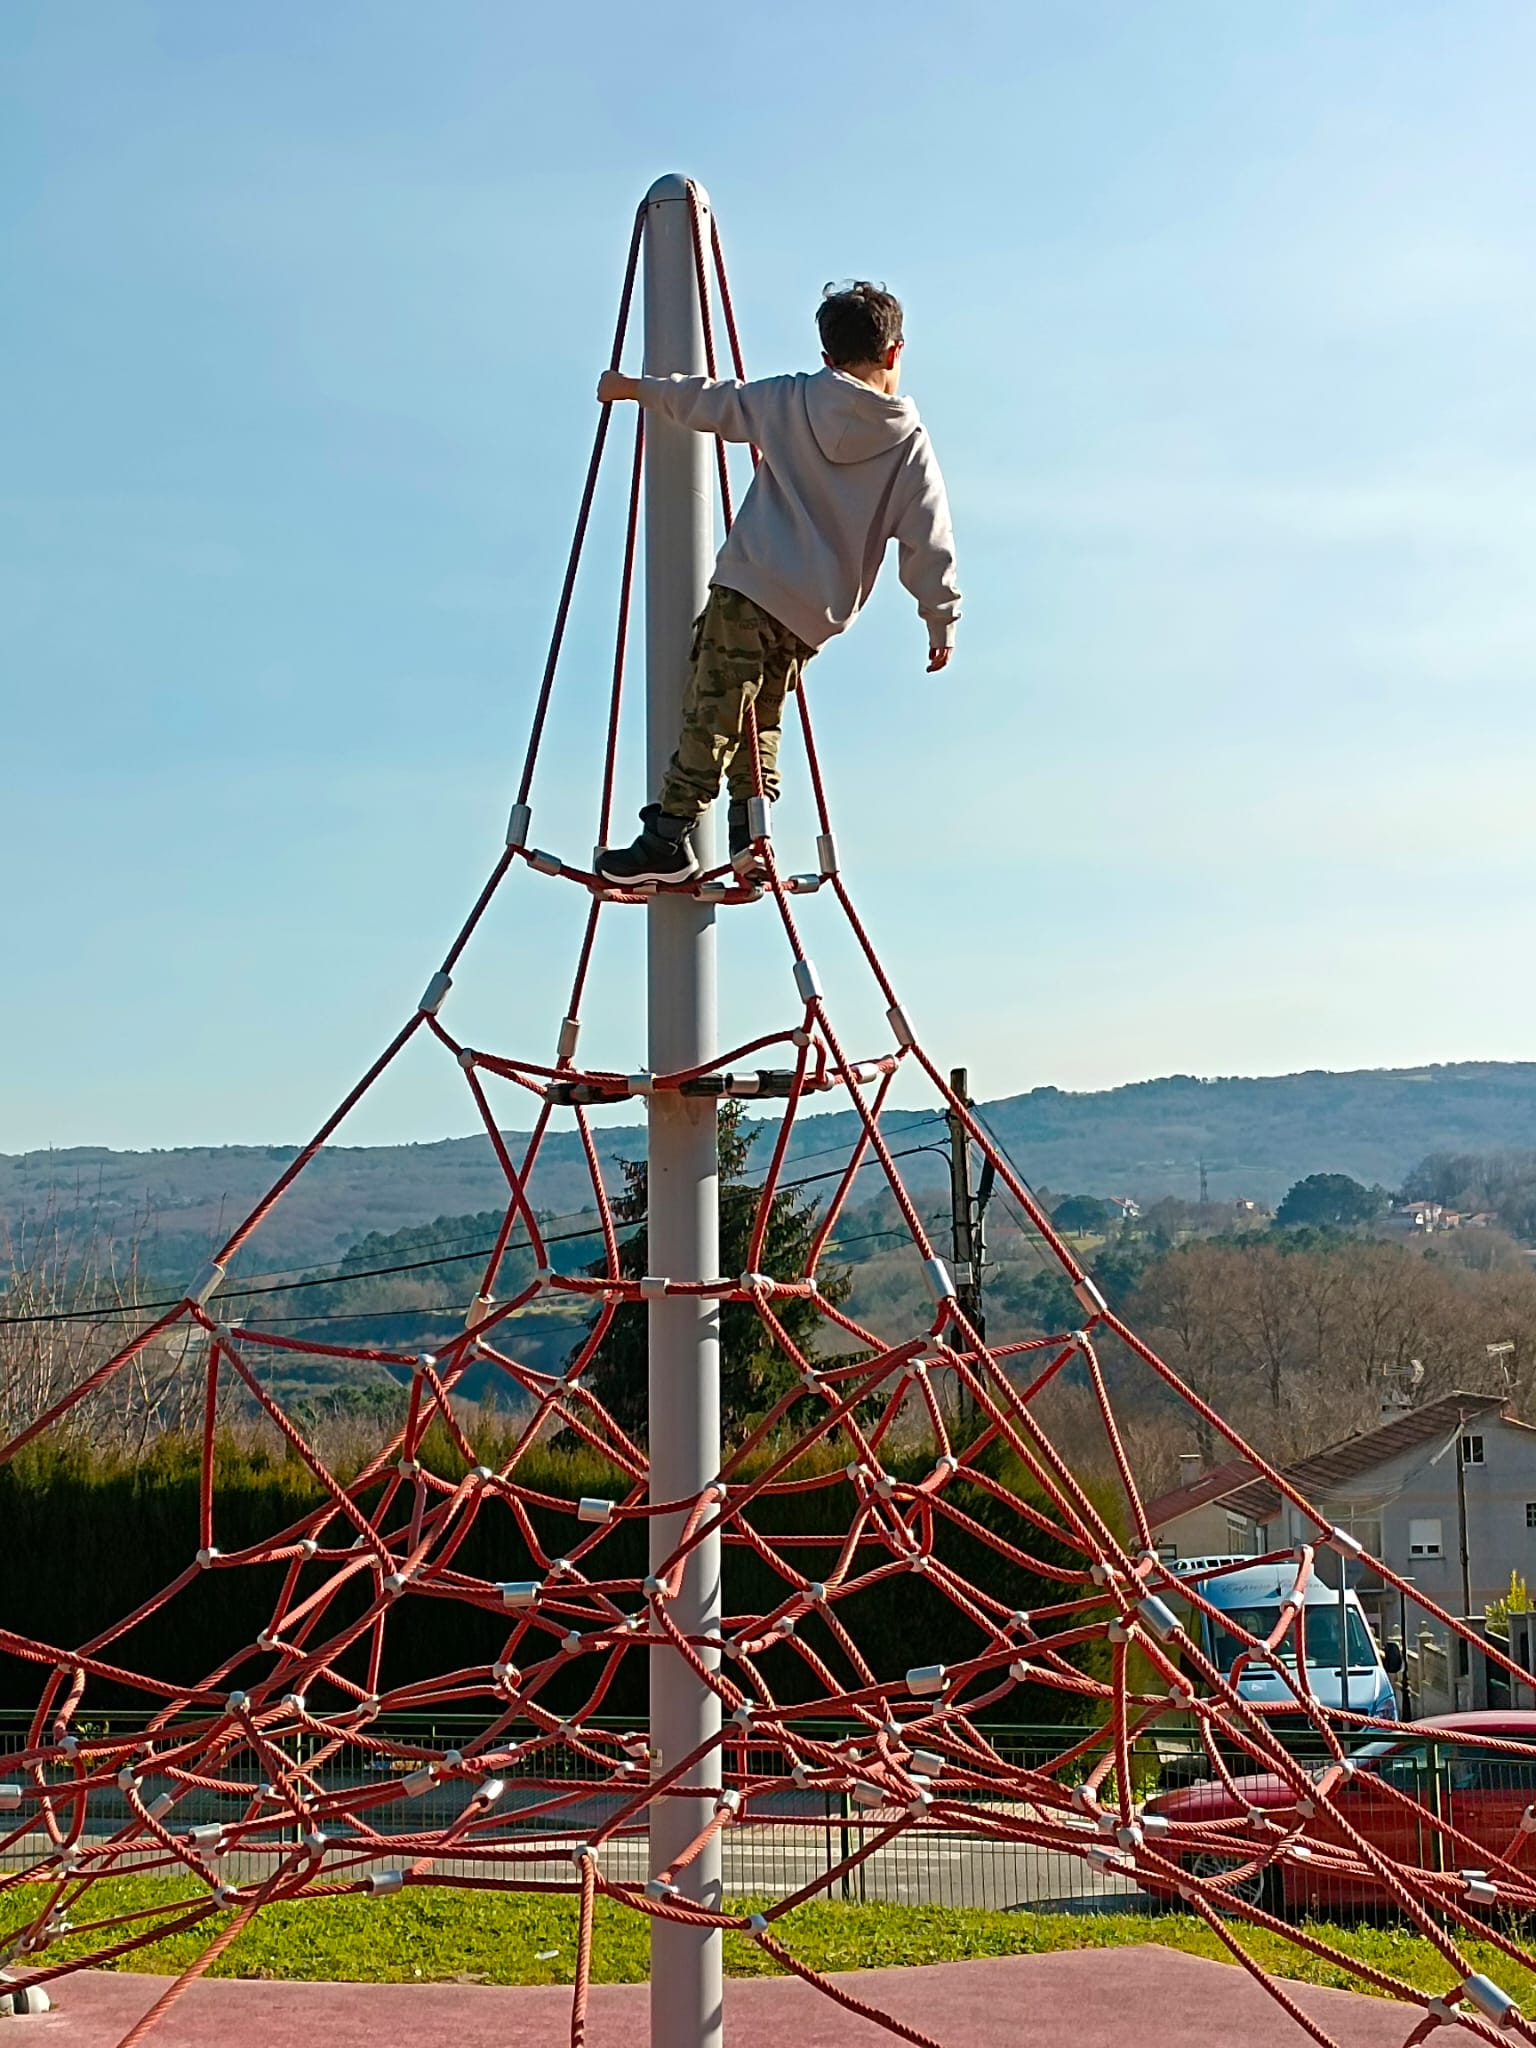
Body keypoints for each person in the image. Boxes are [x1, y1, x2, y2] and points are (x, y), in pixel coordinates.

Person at [593, 280, 960, 886]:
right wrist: (940, 619)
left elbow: (712, 402)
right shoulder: (910, 446)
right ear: (895, 352)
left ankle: (668, 835)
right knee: (759, 714)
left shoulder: (791, 399)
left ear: (826, 357)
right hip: (813, 614)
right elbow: (930, 540)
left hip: (754, 583)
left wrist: (635, 389)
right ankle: (751, 836)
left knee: (714, 703)